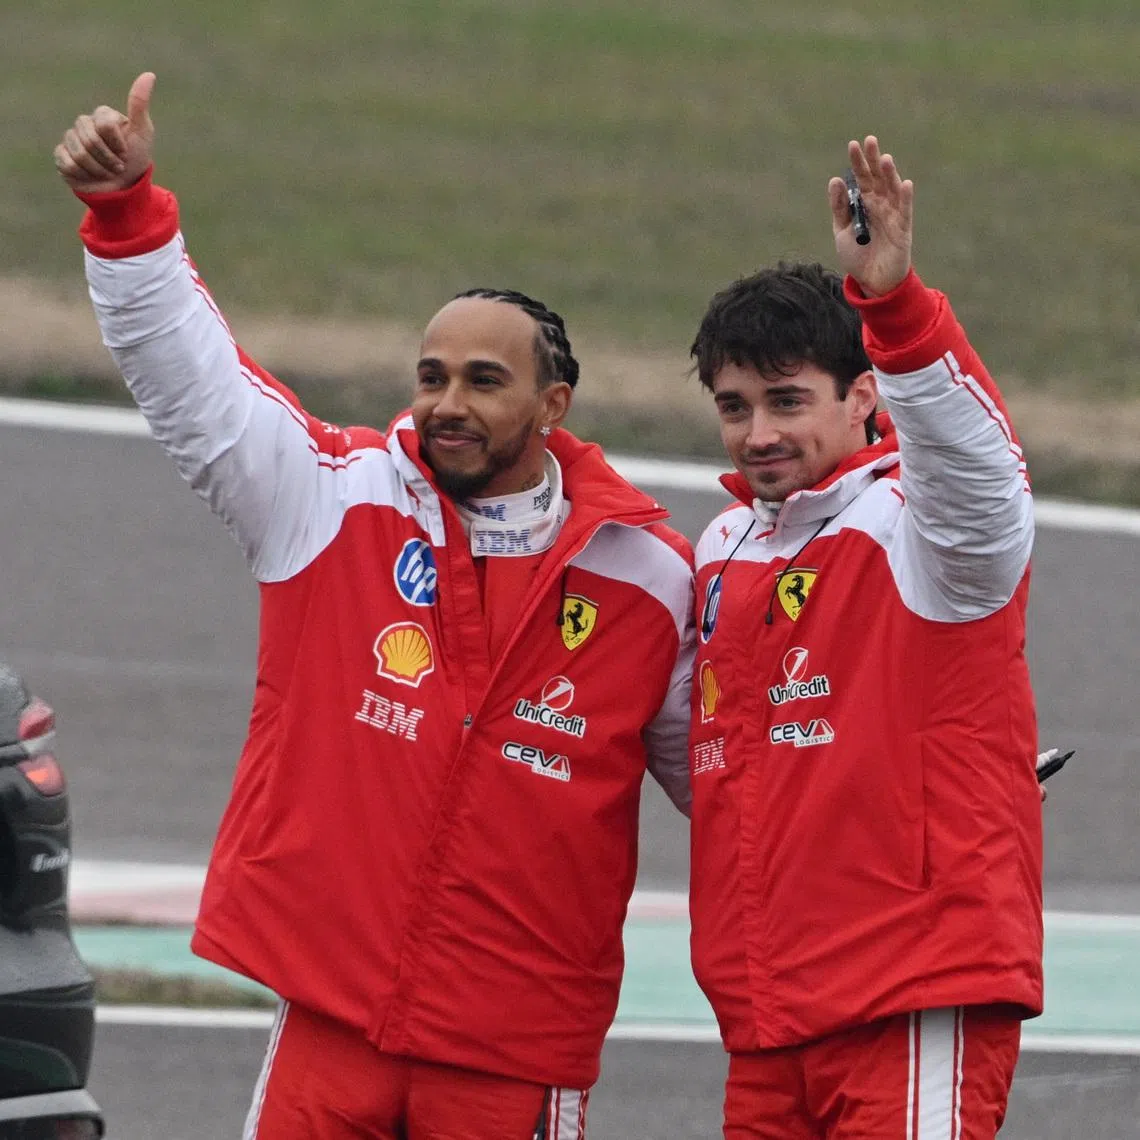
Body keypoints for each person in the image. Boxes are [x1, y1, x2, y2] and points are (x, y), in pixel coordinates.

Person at [54, 72, 695, 1140]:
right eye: (431, 376)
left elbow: (739, 785)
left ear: (553, 405)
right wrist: (127, 217)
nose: (447, 404)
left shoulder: (651, 578)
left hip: (512, 1055)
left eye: (483, 381)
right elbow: (196, 388)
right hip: (332, 1025)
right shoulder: (334, 497)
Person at [686, 137, 1042, 1138]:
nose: (759, 433)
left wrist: (895, 309)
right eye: (735, 407)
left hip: (911, 988)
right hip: (769, 1012)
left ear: (863, 396)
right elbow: (706, 760)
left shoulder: (920, 526)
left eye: (788, 401)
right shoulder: (723, 549)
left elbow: (983, 481)